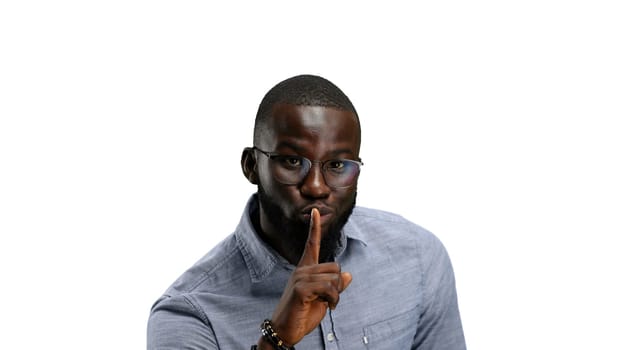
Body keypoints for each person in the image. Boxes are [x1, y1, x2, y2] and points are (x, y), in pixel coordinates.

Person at [147, 74, 466, 350]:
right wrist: (276, 339)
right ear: (251, 167)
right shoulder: (189, 314)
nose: (316, 186)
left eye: (338, 165)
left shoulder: (418, 257)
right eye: (292, 161)